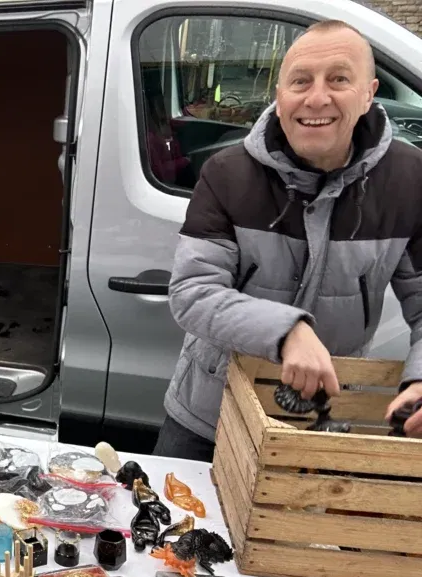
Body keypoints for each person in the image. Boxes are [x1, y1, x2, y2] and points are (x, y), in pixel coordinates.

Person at [155, 19, 422, 461]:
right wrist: (287, 332)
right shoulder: (227, 174)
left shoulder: (409, 181)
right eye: (301, 81)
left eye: (339, 79)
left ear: (369, 93)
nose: (316, 98)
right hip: (208, 413)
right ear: (280, 97)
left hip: (322, 417)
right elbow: (192, 292)